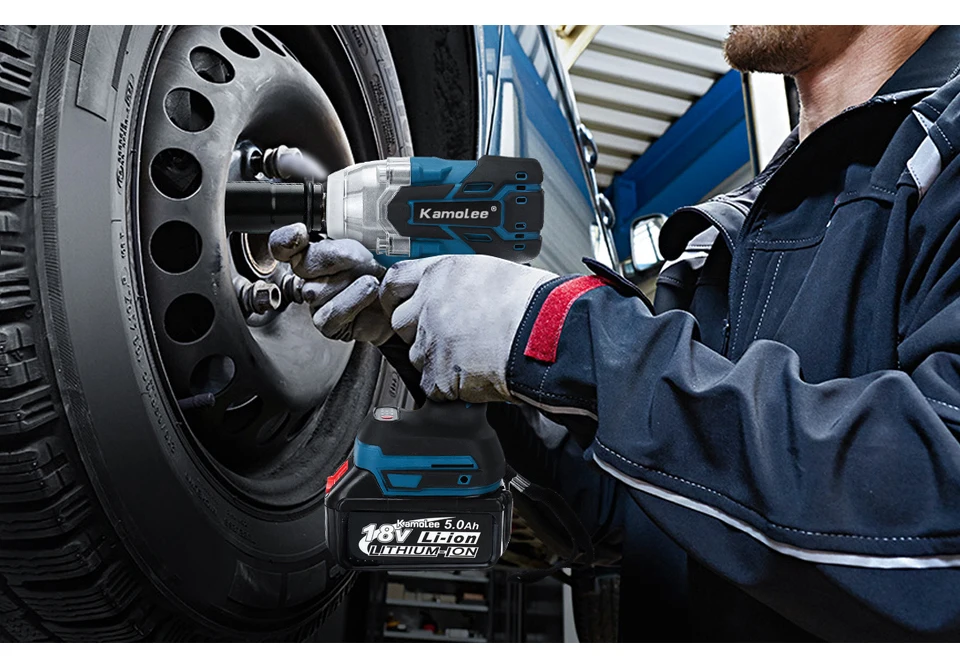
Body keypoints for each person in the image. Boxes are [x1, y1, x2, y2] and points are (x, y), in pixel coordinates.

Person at [269, 25, 960, 640]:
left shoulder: (944, 161)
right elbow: (627, 519)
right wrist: (435, 338)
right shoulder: (724, 241)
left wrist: (558, 333)